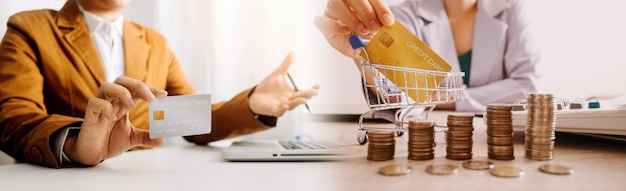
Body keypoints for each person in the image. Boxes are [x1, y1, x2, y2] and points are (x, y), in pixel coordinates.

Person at [0, 0, 319, 168]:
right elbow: (12, 117)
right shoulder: (30, 28)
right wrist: (76, 146)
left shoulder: (155, 42)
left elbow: (194, 121)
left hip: (150, 179)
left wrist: (249, 105)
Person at [315, 0, 540, 116]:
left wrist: (441, 97)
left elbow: (527, 87)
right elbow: (401, 99)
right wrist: (361, 52)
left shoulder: (512, 7)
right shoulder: (400, 17)